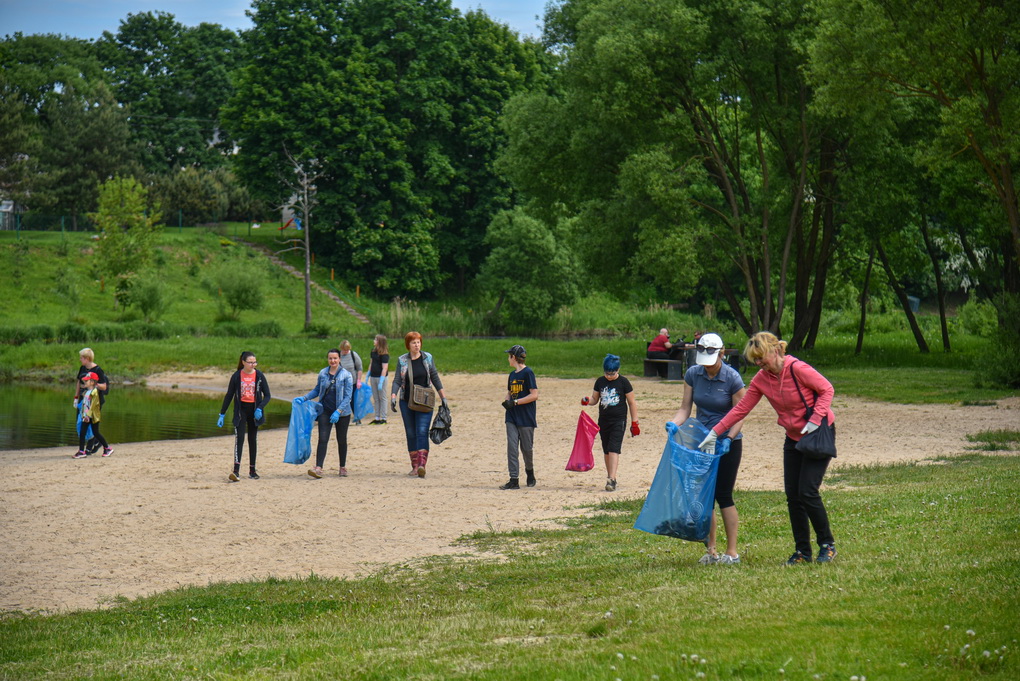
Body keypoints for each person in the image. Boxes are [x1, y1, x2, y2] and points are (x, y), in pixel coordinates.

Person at [701, 331, 838, 565]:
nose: (758, 363)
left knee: (807, 491)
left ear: (775, 351)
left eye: (760, 357)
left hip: (817, 433)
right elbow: (741, 409)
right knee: (793, 496)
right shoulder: (762, 378)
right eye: (754, 359)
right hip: (793, 437)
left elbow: (827, 389)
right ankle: (802, 552)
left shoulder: (797, 368)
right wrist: (716, 432)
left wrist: (815, 419)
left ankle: (827, 545)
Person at [669, 332, 747, 565]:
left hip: (726, 443)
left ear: (722, 354)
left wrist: (729, 439)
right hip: (702, 442)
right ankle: (711, 550)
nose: (708, 368)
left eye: (711, 362)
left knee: (723, 495)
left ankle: (731, 552)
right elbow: (685, 408)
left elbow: (740, 414)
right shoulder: (693, 374)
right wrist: (674, 424)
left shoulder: (732, 378)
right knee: (706, 496)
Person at [390, 331, 448, 478]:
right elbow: (397, 380)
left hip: (425, 400)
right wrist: (393, 395)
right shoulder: (402, 360)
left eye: (418, 342)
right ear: (408, 345)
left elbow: (434, 376)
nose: (416, 345)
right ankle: (414, 466)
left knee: (422, 431)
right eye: (413, 342)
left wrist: (443, 397)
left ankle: (422, 465)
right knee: (411, 433)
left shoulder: (427, 358)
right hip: (406, 401)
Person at [582, 354, 639, 491]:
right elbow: (595, 399)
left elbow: (631, 402)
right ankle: (610, 476)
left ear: (618, 370)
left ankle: (612, 479)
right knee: (607, 450)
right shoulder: (600, 382)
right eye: (607, 373)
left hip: (619, 420)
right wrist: (587, 401)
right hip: (603, 420)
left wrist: (635, 422)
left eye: (612, 373)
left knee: (614, 448)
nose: (609, 376)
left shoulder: (624, 382)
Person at [294, 349, 353, 478]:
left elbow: (348, 396)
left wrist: (338, 411)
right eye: (330, 358)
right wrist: (304, 398)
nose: (333, 361)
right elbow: (317, 390)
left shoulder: (346, 375)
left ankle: (342, 467)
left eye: (335, 358)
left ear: (339, 359)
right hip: (325, 411)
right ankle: (319, 467)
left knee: (341, 439)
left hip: (342, 413)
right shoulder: (323, 373)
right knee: (323, 438)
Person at [218, 351, 272, 482]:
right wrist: (222, 413)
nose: (253, 364)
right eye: (250, 362)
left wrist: (260, 408)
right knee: (240, 438)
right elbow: (229, 395)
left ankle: (252, 470)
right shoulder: (237, 376)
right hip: (240, 411)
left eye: (255, 362)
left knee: (252, 439)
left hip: (254, 412)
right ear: (243, 362)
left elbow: (268, 395)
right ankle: (236, 471)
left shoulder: (259, 376)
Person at [499, 344, 539, 490]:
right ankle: (513, 479)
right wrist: (507, 400)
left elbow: (534, 395)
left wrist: (515, 402)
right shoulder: (512, 375)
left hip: (526, 416)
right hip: (512, 416)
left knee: (527, 449)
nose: (508, 358)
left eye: (509, 356)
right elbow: (510, 392)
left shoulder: (528, 373)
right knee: (512, 447)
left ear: (514, 357)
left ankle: (530, 472)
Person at [74, 347, 109, 454]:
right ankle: (91, 444)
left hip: (94, 401)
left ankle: (88, 448)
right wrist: (76, 397)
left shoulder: (98, 370)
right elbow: (79, 382)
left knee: (91, 424)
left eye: (82, 358)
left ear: (87, 358)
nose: (80, 360)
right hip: (83, 400)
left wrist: (93, 384)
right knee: (80, 422)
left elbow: (104, 386)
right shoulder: (82, 368)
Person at [73, 372, 112, 458]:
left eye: (86, 381)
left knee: (96, 433)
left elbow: (93, 406)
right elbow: (85, 405)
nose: (84, 383)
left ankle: (107, 447)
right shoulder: (87, 392)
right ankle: (81, 451)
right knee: (82, 432)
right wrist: (83, 414)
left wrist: (87, 416)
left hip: (93, 417)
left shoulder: (94, 393)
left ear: (92, 382)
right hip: (86, 416)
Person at [339, 340, 364, 425]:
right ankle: (341, 419)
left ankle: (357, 418)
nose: (346, 351)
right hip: (341, 383)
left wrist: (358, 381)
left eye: (347, 349)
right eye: (344, 350)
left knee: (353, 401)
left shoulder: (353, 355)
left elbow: (359, 368)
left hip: (352, 382)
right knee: (341, 401)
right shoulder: (338, 356)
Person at [368, 334, 389, 425]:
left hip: (381, 378)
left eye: (376, 340)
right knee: (376, 398)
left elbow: (384, 368)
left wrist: (381, 380)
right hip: (373, 376)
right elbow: (371, 363)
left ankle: (383, 417)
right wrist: (368, 375)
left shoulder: (384, 354)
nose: (374, 341)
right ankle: (377, 417)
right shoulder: (373, 352)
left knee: (382, 397)